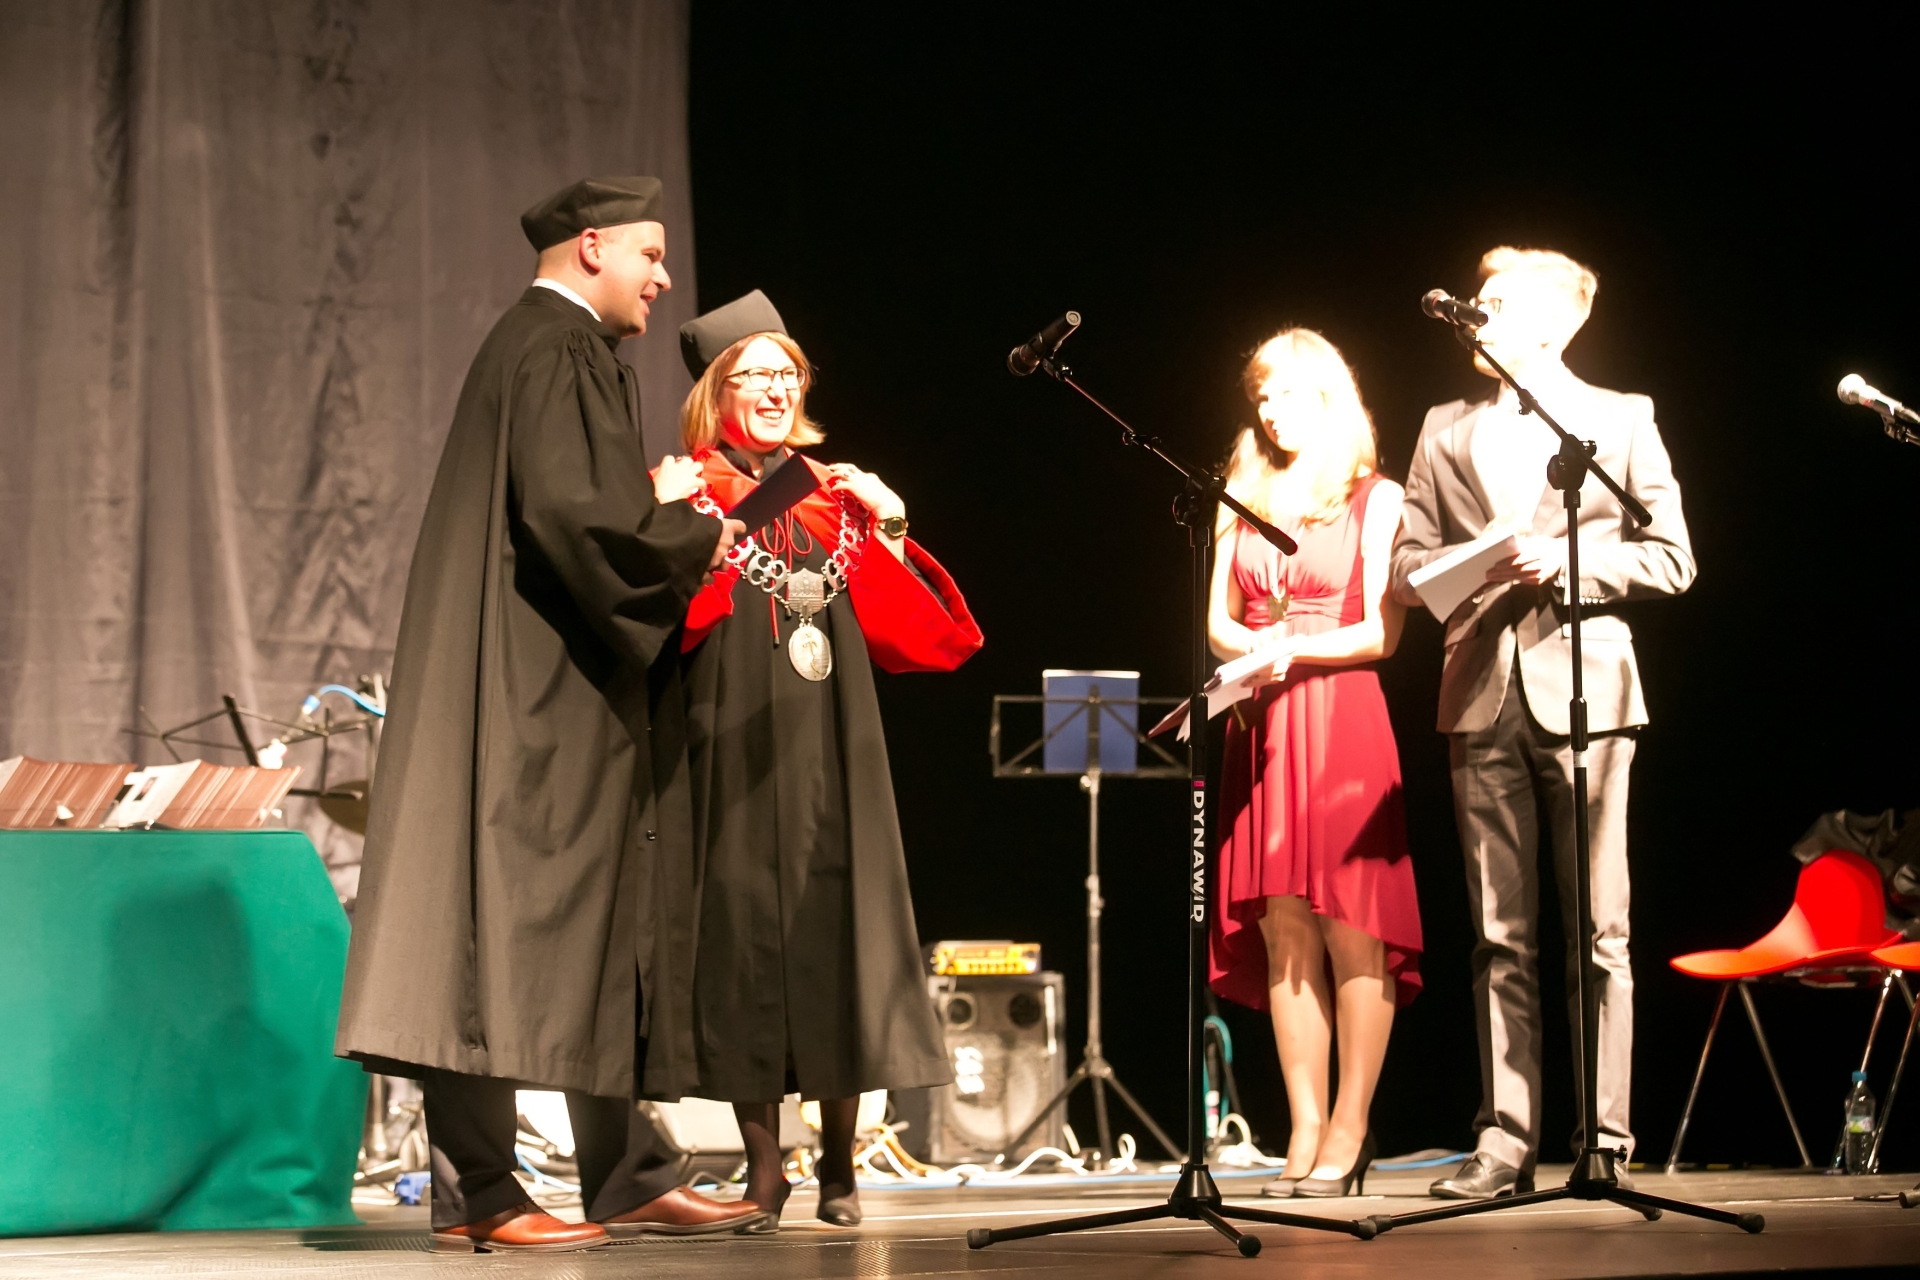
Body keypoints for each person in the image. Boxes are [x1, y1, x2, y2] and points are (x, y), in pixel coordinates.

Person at [335, 176, 758, 1253]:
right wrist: (691, 531)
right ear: (592, 246)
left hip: (554, 675)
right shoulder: (554, 348)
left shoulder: (557, 350)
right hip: (520, 684)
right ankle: (479, 1190)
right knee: (482, 924)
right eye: (650, 255)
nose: (664, 277)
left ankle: (627, 1172)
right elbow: (578, 517)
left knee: (596, 916)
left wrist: (658, 517)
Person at [645, 290, 982, 1231]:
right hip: (731, 739)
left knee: (843, 932)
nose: (775, 390)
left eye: (788, 375)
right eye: (754, 375)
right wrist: (684, 530)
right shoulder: (686, 490)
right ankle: (765, 1168)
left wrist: (894, 526)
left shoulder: (834, 494)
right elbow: (664, 624)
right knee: (742, 943)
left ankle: (839, 1163)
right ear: (717, 392)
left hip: (836, 743)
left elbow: (919, 640)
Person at [1392, 247, 1696, 1199]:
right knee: (1498, 935)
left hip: (1590, 691)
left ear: (1557, 325)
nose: (1476, 313)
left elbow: (1673, 558)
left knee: (1601, 932)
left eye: (1497, 302)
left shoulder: (1620, 417)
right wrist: (1465, 567)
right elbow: (1405, 563)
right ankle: (1504, 1143)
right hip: (1479, 689)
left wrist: (1569, 565)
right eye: (1476, 299)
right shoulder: (1443, 427)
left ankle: (1605, 1138)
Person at [1206, 328, 1421, 1199]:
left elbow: (1379, 631)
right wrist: (1256, 651)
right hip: (1261, 721)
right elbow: (1218, 620)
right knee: (1284, 925)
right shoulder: (1241, 493)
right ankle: (1301, 1128)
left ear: (1329, 397)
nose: (1269, 409)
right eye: (1260, 395)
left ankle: (1350, 1127)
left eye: (1287, 392)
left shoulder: (1377, 496)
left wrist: (1289, 650)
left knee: (1351, 922)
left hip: (1341, 718)